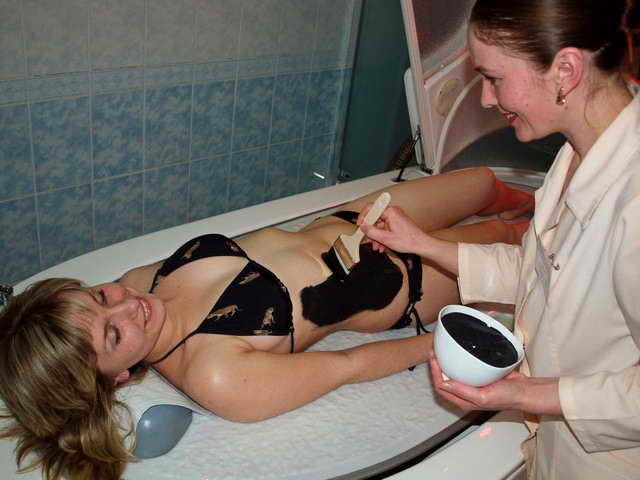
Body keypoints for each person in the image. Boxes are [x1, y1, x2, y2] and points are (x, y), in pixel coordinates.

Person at [0, 167, 533, 480]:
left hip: (355, 219)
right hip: (404, 283)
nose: (127, 305)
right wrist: (446, 342)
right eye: (113, 334)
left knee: (486, 183)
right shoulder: (216, 373)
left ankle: (549, 195)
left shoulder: (142, 279)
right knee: (508, 240)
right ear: (117, 378)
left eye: (100, 296)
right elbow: (349, 364)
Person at [360, 1, 640, 479]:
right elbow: (541, 272)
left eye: (493, 78)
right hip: (555, 445)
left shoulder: (633, 202)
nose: (487, 99)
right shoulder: (579, 152)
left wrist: (526, 392)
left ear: (565, 70)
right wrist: (422, 244)